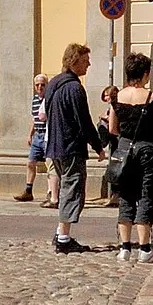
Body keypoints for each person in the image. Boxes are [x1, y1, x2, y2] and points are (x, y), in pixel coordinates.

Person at [42, 41, 107, 254]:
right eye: (86, 62)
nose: (88, 66)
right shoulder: (74, 88)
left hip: (54, 146)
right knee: (72, 190)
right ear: (75, 61)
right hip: (70, 147)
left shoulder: (53, 84)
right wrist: (98, 146)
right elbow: (84, 122)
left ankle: (60, 230)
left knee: (65, 189)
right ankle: (63, 238)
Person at [105, 53, 153, 261]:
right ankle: (145, 249)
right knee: (147, 194)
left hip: (124, 149)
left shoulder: (116, 97)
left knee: (126, 195)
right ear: (146, 74)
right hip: (147, 148)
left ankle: (124, 248)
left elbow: (112, 129)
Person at [15, 71, 57, 205]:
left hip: (47, 135)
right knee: (30, 163)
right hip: (37, 135)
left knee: (50, 165)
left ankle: (51, 192)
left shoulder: (50, 100)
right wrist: (30, 134)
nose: (40, 87)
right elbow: (34, 119)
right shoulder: (34, 101)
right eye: (37, 85)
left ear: (47, 85)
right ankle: (28, 190)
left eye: (42, 85)